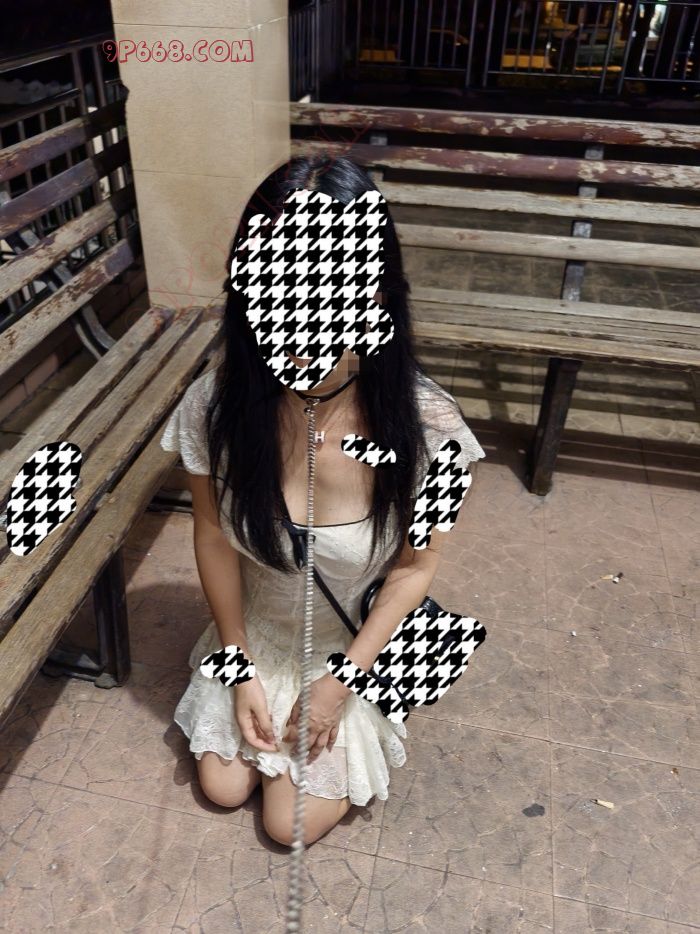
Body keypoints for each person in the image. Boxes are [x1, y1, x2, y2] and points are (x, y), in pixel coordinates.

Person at [159, 155, 486, 847]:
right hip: (259, 633)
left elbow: (415, 568)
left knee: (289, 825)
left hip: (349, 645)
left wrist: (339, 686)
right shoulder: (215, 408)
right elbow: (212, 537)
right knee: (222, 787)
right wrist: (238, 666)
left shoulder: (431, 431)